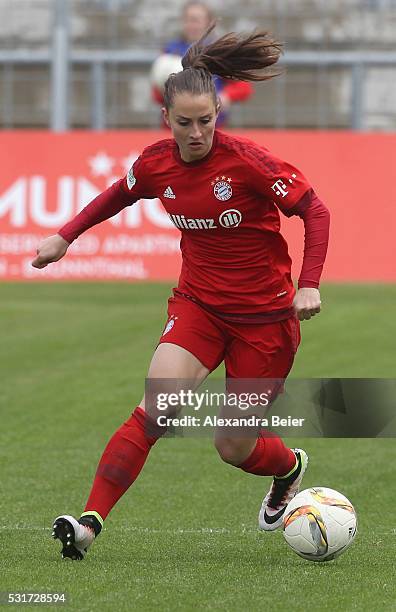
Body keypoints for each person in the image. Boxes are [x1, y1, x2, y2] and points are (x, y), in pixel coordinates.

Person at [32, 24, 330, 561]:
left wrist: (308, 285)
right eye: (185, 123)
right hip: (199, 306)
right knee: (157, 406)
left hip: (265, 321)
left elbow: (316, 210)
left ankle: (288, 468)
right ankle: (88, 523)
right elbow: (114, 196)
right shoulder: (156, 162)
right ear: (166, 118)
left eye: (207, 121)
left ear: (219, 113)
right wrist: (63, 237)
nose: (197, 134)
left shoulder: (250, 162)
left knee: (231, 446)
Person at [152, 1, 253, 126]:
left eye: (196, 20)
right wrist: (165, 91)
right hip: (175, 127)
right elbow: (156, 93)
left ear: (208, 23)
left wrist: (225, 96)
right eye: (188, 20)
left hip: (212, 127)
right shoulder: (170, 51)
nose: (191, 25)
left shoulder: (218, 50)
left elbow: (243, 87)